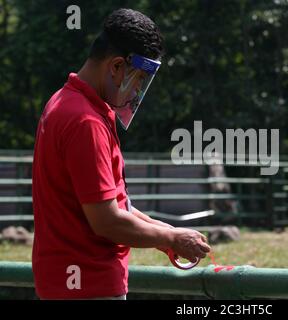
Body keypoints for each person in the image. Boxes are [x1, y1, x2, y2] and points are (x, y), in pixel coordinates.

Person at [32, 8, 210, 300]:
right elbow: (107, 221)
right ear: (116, 67)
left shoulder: (64, 101)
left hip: (64, 284)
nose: (138, 90)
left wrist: (168, 234)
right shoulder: (85, 122)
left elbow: (114, 204)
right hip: (89, 288)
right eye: (139, 79)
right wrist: (170, 237)